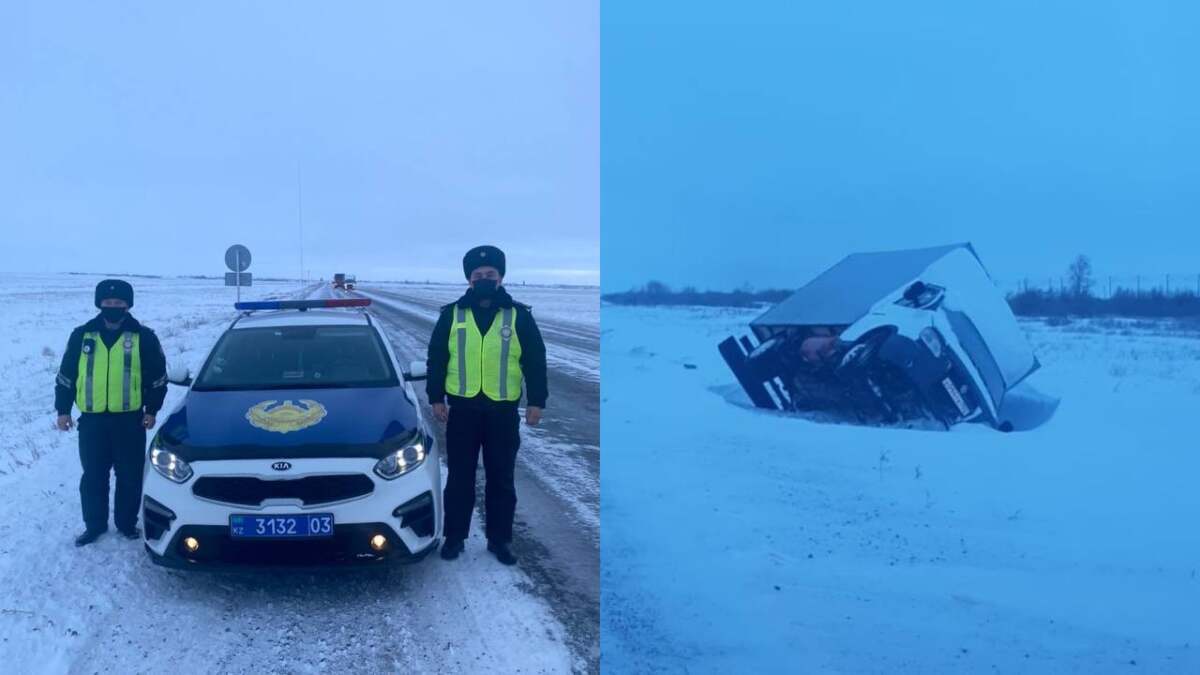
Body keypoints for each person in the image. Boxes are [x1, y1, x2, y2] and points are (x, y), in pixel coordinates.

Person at [427, 245, 548, 565]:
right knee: (460, 478)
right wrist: (435, 397)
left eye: (490, 274)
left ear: (501, 277)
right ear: (469, 279)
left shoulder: (518, 315)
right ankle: (454, 537)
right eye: (477, 275)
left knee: (501, 478)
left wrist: (537, 401)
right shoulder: (451, 314)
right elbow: (437, 357)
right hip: (463, 411)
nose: (483, 279)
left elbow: (535, 360)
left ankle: (500, 540)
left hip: (502, 412)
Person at [54, 279, 168, 546]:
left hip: (130, 420)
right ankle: (94, 526)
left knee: (129, 475)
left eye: (118, 303)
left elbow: (157, 377)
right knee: (93, 476)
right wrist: (63, 410)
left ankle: (126, 524)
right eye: (108, 303)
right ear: (99, 304)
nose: (113, 307)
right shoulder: (82, 335)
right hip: (92, 421)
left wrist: (152, 409)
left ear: (128, 305)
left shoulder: (144, 336)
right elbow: (66, 376)